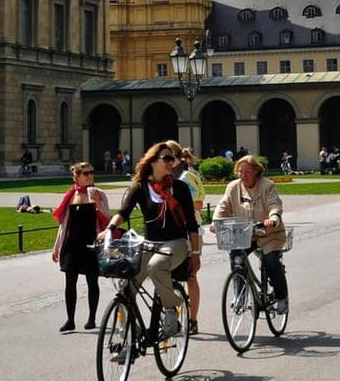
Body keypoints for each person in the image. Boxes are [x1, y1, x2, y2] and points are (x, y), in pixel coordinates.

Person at [98, 142, 199, 344]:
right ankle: (129, 332)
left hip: (176, 243)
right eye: (166, 158)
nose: (171, 162)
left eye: (173, 158)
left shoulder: (179, 188)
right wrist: (109, 229)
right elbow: (123, 214)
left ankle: (172, 310)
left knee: (156, 266)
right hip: (149, 243)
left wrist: (195, 253)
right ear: (153, 161)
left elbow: (191, 223)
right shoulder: (140, 187)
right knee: (125, 287)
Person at [214, 155, 288, 315]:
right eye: (240, 172)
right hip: (245, 234)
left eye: (247, 172)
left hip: (269, 234)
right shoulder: (233, 187)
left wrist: (273, 218)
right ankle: (240, 296)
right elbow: (223, 205)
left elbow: (275, 204)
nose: (243, 175)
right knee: (236, 257)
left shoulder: (267, 186)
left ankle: (281, 297)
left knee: (271, 261)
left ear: (256, 171)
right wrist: (216, 221)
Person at [52, 162, 110, 332]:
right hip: (72, 244)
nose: (90, 176)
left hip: (92, 243)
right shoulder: (70, 195)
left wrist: (98, 204)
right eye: (85, 173)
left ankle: (92, 318)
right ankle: (70, 320)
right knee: (70, 282)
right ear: (76, 176)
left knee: (92, 281)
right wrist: (57, 247)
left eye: (91, 172)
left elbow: (108, 219)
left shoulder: (99, 193)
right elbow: (64, 224)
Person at [175, 146, 207, 334]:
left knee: (189, 276)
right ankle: (176, 318)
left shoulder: (185, 178)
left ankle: (192, 320)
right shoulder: (165, 179)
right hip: (171, 233)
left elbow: (198, 204)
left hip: (189, 232)